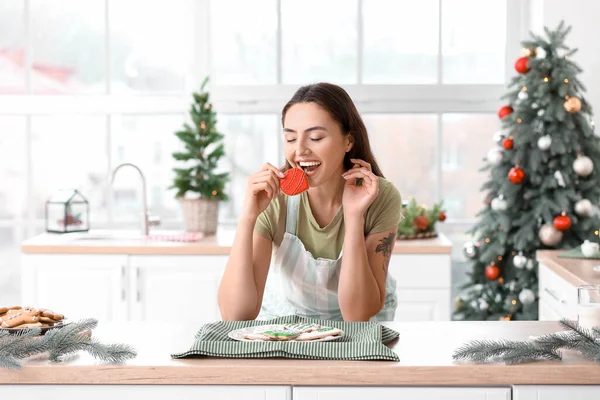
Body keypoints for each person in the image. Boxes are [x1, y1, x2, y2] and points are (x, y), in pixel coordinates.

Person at [217, 82, 403, 322]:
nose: (300, 150)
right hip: (287, 324)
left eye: (315, 137)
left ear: (348, 141)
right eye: (291, 139)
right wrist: (248, 217)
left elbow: (357, 315)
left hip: (360, 332)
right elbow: (235, 315)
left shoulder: (379, 196)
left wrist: (354, 216)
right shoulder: (273, 197)